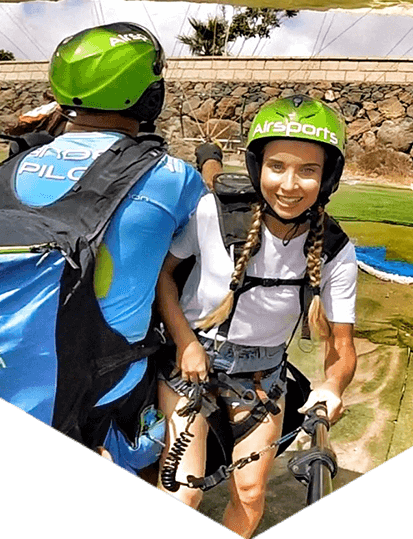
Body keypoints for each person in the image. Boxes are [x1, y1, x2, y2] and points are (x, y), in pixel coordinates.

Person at [7, 21, 207, 474]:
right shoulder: (172, 176)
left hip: (20, 362)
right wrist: (209, 163)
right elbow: (207, 217)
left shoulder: (13, 165)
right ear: (147, 94)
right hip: (111, 380)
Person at [155, 95, 358, 537]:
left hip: (263, 378)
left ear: (328, 179)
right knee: (184, 490)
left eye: (309, 170)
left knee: (249, 493)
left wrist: (332, 385)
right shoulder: (213, 213)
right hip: (191, 368)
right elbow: (164, 277)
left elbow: (340, 345)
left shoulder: (337, 249)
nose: (289, 184)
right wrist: (186, 342)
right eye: (277, 166)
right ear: (256, 168)